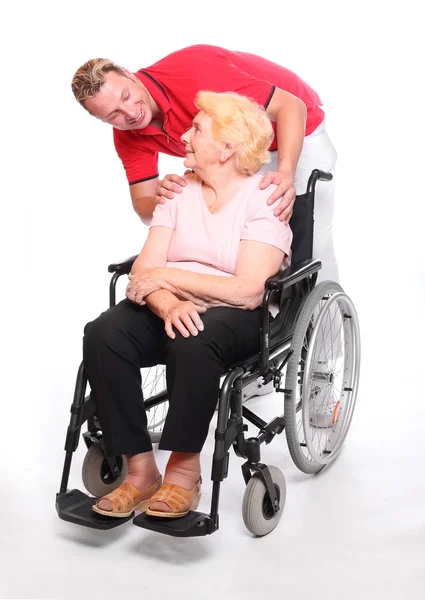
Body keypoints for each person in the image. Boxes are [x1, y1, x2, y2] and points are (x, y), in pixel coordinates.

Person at [83, 91, 292, 518]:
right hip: (170, 303)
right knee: (103, 333)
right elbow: (144, 271)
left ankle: (183, 474)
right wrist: (165, 302)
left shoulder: (263, 199)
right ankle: (140, 472)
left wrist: (168, 277)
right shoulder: (177, 193)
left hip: (238, 315)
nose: (183, 135)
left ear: (228, 147)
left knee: (193, 340)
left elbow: (248, 289)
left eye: (196, 129)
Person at [71, 44, 338, 283]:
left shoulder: (195, 73)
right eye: (113, 114)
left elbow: (292, 107)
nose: (130, 113)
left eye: (126, 97)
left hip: (295, 128)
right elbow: (144, 207)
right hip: (237, 151)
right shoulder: (126, 137)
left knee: (310, 242)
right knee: (244, 245)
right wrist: (163, 197)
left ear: (129, 74)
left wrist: (286, 172)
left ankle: (328, 326)